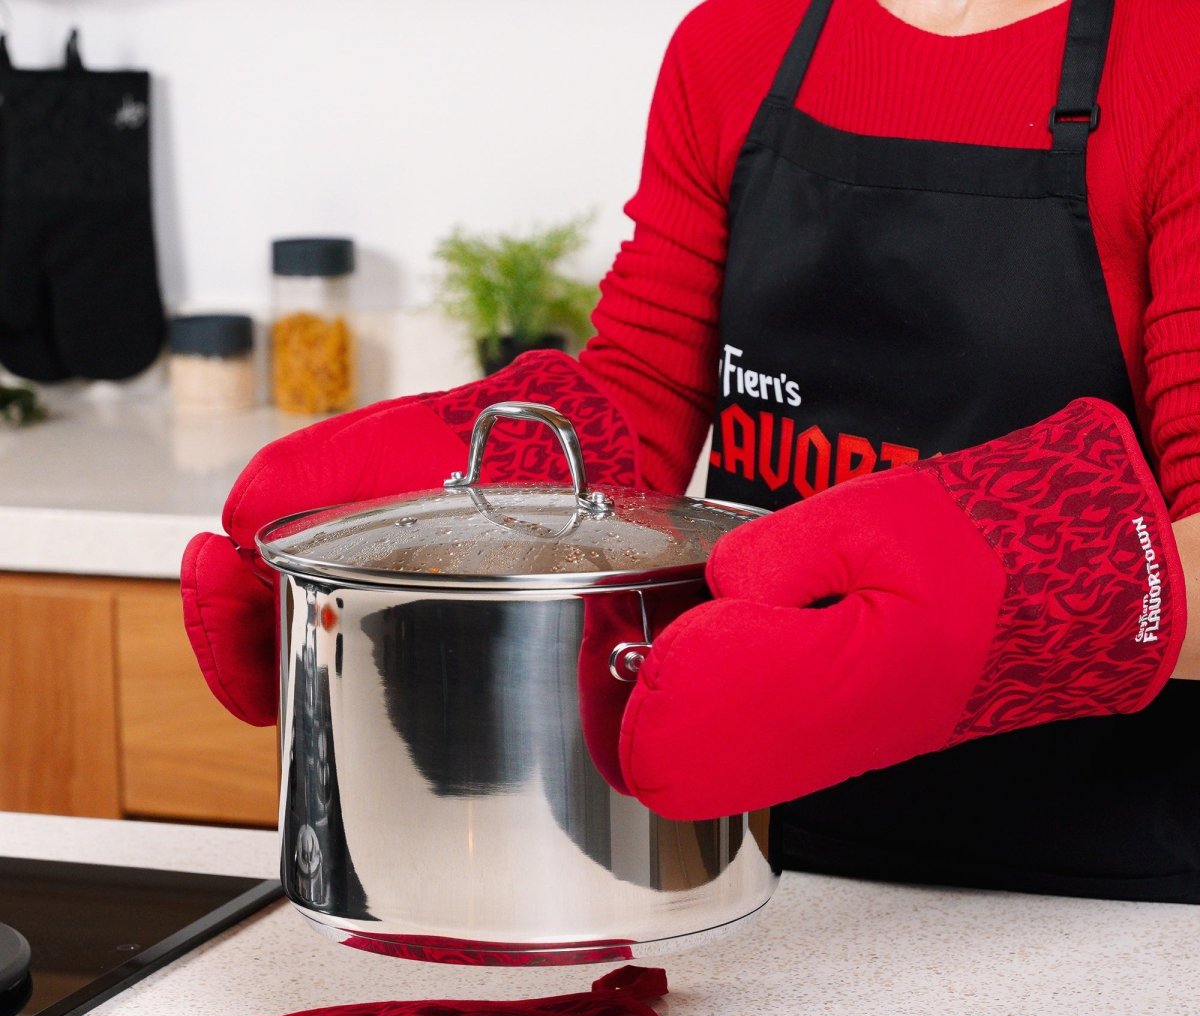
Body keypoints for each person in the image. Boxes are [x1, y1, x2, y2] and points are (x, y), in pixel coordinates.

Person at [183, 0, 1200, 903]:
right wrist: (441, 529)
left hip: (1101, 882)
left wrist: (962, 610)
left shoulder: (1176, 60)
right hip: (762, 858)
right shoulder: (737, 42)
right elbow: (644, 403)